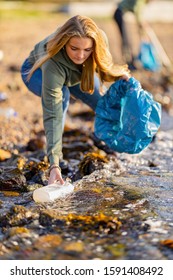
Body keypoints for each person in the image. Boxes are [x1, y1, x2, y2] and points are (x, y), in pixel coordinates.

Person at [21, 15, 130, 185]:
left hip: (76, 73)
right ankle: (56, 155)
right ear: (65, 43)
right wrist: (54, 164)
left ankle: (109, 139)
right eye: (74, 48)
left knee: (103, 101)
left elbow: (102, 65)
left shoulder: (98, 39)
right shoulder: (52, 62)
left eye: (87, 50)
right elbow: (53, 113)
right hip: (36, 72)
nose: (80, 55)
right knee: (62, 96)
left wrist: (118, 76)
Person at [113, 0, 152, 69]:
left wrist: (141, 27)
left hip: (121, 13)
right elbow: (137, 12)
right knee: (126, 39)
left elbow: (137, 13)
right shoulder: (141, 1)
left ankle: (130, 60)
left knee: (127, 38)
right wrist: (141, 23)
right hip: (119, 13)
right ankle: (128, 61)